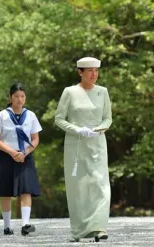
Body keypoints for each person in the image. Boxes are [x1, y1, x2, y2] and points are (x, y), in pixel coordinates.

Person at [55, 57, 112, 242]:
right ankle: (78, 231)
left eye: (96, 71)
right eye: (90, 71)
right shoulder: (69, 92)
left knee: (100, 185)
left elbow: (108, 118)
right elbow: (59, 119)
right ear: (80, 72)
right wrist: (77, 129)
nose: (94, 75)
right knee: (78, 187)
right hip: (76, 145)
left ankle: (99, 227)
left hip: (97, 144)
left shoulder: (102, 92)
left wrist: (98, 129)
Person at [0, 83, 42, 236]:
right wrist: (12, 152)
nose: (19, 100)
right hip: (6, 156)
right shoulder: (2, 115)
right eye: (16, 97)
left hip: (25, 156)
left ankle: (25, 224)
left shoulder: (30, 115)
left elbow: (35, 138)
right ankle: (7, 226)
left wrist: (25, 152)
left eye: (22, 96)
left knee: (26, 189)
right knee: (6, 191)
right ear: (10, 97)